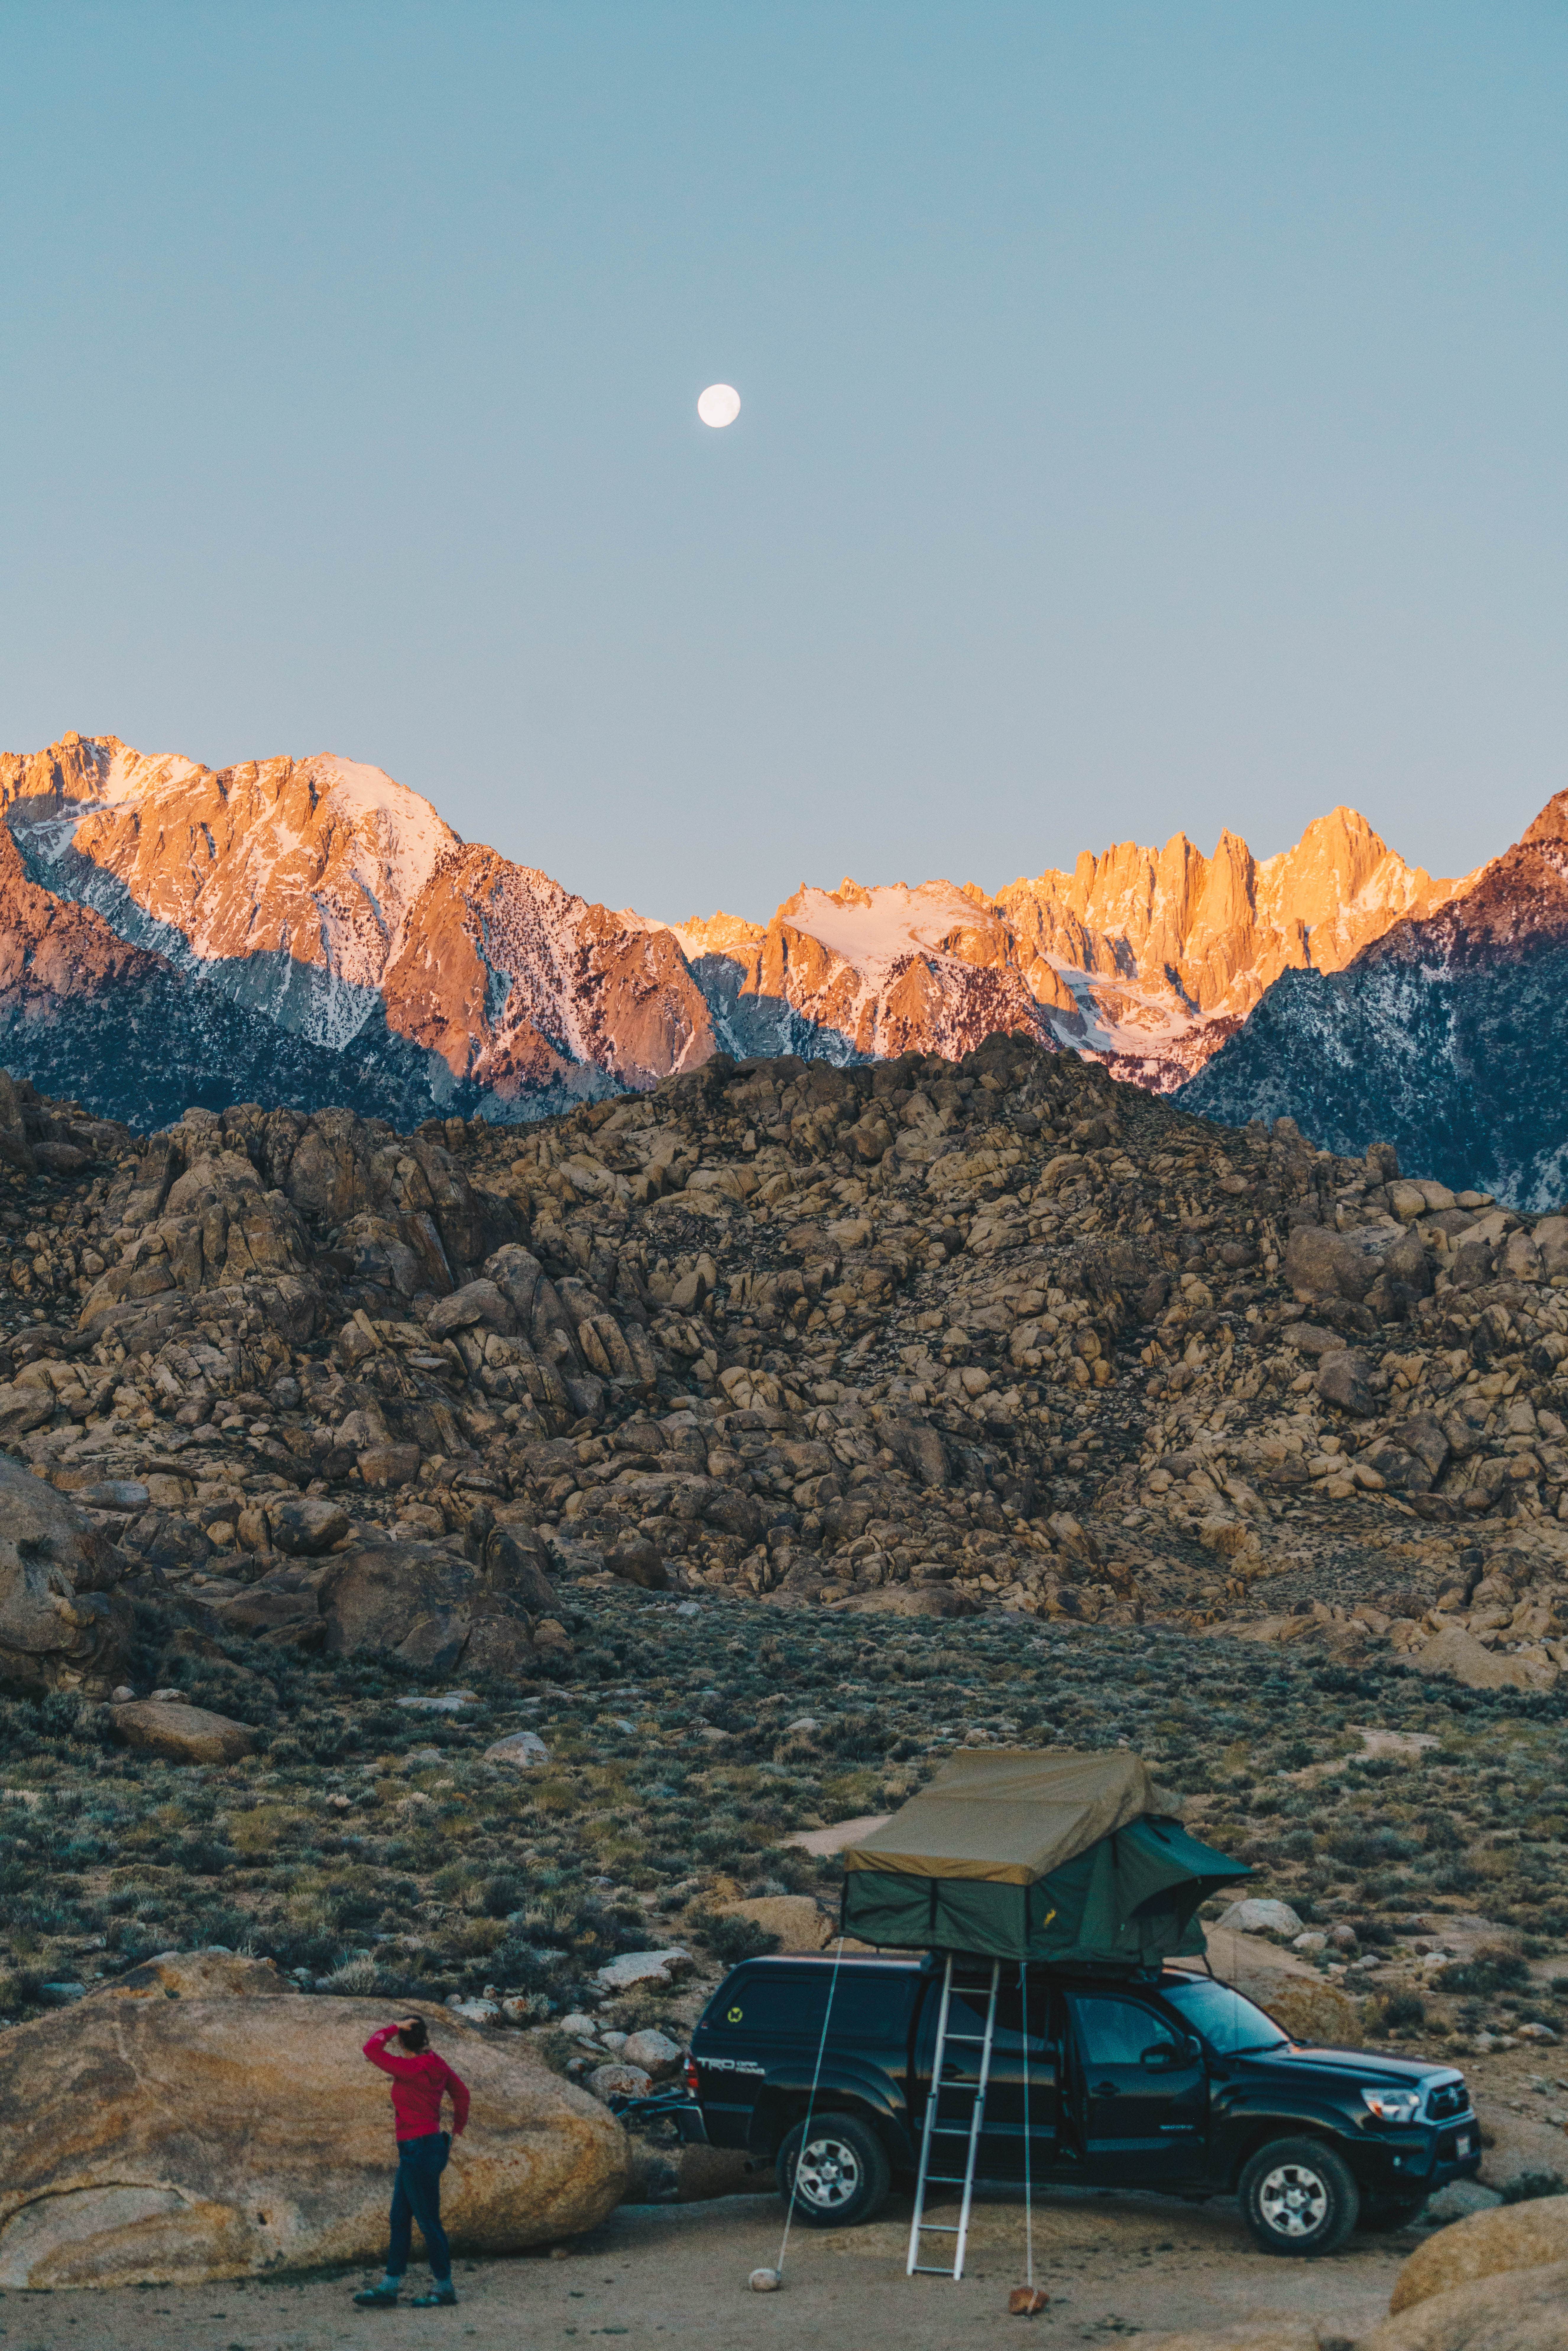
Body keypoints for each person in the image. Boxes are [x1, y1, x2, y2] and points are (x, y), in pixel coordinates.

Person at [354, 2014, 471, 2309]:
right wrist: (456, 2130)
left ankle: (444, 2287)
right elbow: (462, 2094)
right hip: (429, 2146)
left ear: (403, 2040)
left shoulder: (408, 2068)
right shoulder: (436, 2063)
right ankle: (390, 2287)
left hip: (416, 2149)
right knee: (399, 2217)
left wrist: (394, 2027)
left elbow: (371, 2049)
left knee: (428, 2220)